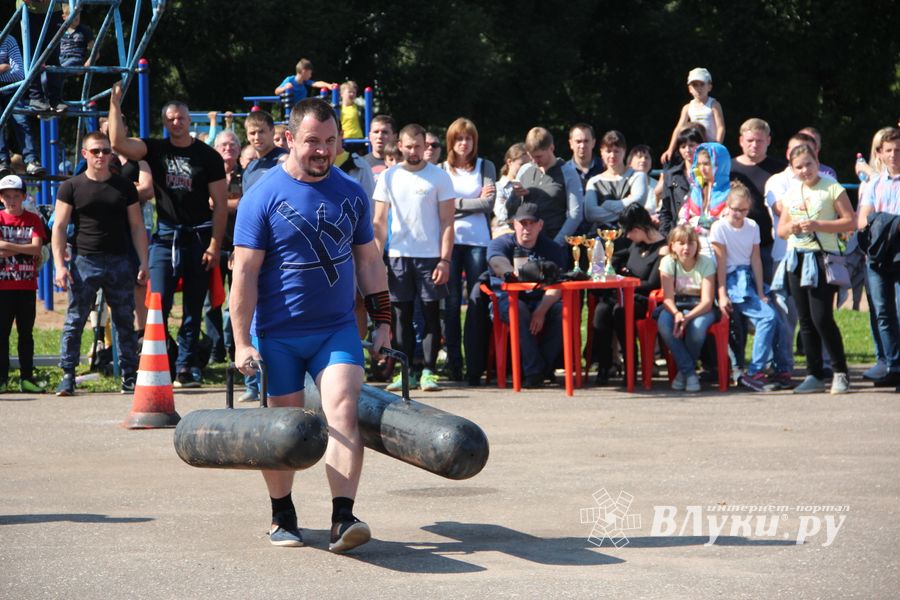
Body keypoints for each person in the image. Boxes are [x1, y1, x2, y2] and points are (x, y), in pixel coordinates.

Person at [230, 97, 390, 552]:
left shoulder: (351, 192)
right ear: (288, 140)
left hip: (335, 329)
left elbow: (369, 263)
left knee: (341, 408)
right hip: (278, 335)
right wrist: (243, 343)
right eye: (312, 142)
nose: (322, 151)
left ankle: (343, 517)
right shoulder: (262, 196)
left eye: (330, 141)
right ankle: (282, 513)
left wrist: (383, 321)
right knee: (286, 427)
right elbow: (242, 275)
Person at [108, 82, 227, 388]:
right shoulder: (156, 150)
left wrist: (215, 244)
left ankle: (187, 366)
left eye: (181, 118)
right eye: (171, 118)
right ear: (165, 122)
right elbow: (120, 144)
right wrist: (115, 105)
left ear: (190, 121)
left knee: (193, 308)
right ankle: (158, 362)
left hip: (199, 238)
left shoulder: (208, 156)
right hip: (166, 237)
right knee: (157, 303)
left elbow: (222, 205)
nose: (176, 122)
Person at [50, 132, 148, 396]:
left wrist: (144, 261)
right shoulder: (70, 186)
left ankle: (129, 375)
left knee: (125, 320)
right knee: (75, 319)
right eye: (95, 151)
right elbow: (59, 227)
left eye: (106, 151)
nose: (102, 156)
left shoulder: (124, 187)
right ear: (85, 154)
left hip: (119, 260)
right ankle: (67, 374)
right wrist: (59, 265)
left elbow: (137, 226)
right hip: (84, 261)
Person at [373, 123, 455, 392]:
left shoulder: (439, 177)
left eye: (419, 146)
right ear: (400, 146)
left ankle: (429, 371)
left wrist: (445, 259)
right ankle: (404, 370)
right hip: (398, 256)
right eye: (408, 147)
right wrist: (376, 259)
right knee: (401, 316)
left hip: (430, 257)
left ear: (426, 146)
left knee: (432, 315)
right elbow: (379, 222)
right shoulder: (388, 177)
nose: (414, 151)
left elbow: (447, 222)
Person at [776, 144, 855, 394]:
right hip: (796, 258)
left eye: (808, 164)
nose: (804, 170)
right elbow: (781, 229)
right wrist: (793, 229)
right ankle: (814, 374)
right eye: (798, 167)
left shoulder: (832, 187)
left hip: (823, 259)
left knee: (822, 317)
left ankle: (840, 371)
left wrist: (818, 224)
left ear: (817, 162)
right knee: (805, 319)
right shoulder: (791, 192)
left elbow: (850, 221)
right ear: (792, 169)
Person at [711, 182, 793, 392]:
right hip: (731, 279)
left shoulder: (753, 226)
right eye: (735, 209)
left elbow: (756, 260)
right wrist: (721, 294)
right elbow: (720, 264)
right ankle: (754, 371)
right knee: (766, 318)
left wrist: (759, 291)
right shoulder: (719, 227)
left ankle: (781, 368)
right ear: (727, 206)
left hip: (748, 277)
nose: (739, 214)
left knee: (778, 322)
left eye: (743, 210)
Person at [235, 110, 288, 403]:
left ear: (272, 132)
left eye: (262, 132)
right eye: (252, 133)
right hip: (255, 249)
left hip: (280, 250)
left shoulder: (284, 162)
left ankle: (277, 377)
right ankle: (253, 380)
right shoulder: (251, 168)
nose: (257, 138)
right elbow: (245, 212)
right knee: (251, 312)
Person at [440, 117, 496, 382]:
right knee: (450, 304)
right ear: (451, 141)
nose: (464, 143)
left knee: (475, 303)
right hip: (449, 242)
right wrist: (472, 200)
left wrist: (455, 204)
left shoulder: (486, 166)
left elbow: (488, 205)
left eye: (469, 138)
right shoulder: (441, 169)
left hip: (478, 242)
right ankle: (454, 364)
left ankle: (475, 367)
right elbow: (439, 206)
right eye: (459, 138)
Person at [487, 203, 565, 388]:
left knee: (563, 311)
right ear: (514, 224)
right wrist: (513, 274)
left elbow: (558, 285)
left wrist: (541, 311)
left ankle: (537, 370)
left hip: (541, 299)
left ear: (540, 225)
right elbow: (497, 262)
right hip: (506, 300)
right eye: (523, 223)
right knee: (518, 309)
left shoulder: (552, 248)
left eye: (532, 223)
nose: (527, 228)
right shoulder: (502, 243)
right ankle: (535, 371)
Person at [590, 203, 667, 385]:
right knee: (601, 311)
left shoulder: (662, 249)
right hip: (623, 293)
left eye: (629, 232)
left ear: (639, 229)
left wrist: (626, 281)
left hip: (643, 299)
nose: (627, 236)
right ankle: (604, 365)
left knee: (621, 312)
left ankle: (631, 366)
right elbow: (618, 257)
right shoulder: (636, 245)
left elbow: (653, 283)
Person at [857, 127, 900, 388]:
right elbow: (863, 219)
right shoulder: (874, 183)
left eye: (898, 150)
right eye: (889, 150)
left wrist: (881, 222)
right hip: (878, 256)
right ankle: (892, 364)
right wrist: (888, 223)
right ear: (880, 154)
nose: (894, 155)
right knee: (883, 312)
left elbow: (873, 220)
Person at [654, 224, 718, 392]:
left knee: (696, 329)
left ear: (697, 244)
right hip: (677, 305)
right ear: (672, 246)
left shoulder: (706, 263)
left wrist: (687, 318)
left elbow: (707, 301)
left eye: (691, 243)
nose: (686, 247)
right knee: (664, 325)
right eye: (681, 243)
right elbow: (667, 298)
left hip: (701, 307)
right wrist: (677, 314)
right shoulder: (668, 262)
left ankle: (683, 374)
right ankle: (689, 373)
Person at [0, 174, 47, 393]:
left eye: (15, 196)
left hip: (27, 286)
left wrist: (7, 246)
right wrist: (24, 247)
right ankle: (2, 377)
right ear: (1, 198)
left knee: (25, 335)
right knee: (2, 334)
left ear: (23, 196)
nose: (11, 200)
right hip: (3, 288)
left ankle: (26, 378)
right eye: (7, 196)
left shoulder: (33, 219)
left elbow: (37, 248)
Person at [730, 118, 785, 283]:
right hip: (735, 245)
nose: (754, 144)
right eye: (750, 140)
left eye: (759, 140)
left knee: (774, 297)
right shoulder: (728, 169)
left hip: (769, 245)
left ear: (768, 141)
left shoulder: (781, 170)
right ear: (741, 141)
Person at [515, 127, 583, 246]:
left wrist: (557, 243)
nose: (535, 161)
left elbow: (575, 214)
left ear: (551, 148)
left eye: (539, 156)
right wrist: (515, 196)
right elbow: (513, 209)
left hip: (554, 239)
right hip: (526, 242)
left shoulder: (568, 172)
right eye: (531, 156)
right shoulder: (525, 170)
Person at [584, 130, 649, 235]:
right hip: (602, 237)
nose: (612, 155)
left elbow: (638, 203)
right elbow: (590, 214)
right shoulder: (594, 181)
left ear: (624, 151)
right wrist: (627, 206)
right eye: (608, 151)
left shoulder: (638, 176)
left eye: (616, 151)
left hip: (632, 237)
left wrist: (607, 204)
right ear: (601, 152)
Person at [660, 68, 725, 164]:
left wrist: (716, 147)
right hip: (695, 149)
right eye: (695, 85)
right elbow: (678, 129)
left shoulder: (714, 104)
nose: (698, 88)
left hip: (711, 147)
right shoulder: (687, 107)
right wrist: (670, 149)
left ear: (709, 87)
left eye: (702, 84)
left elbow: (721, 127)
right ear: (690, 89)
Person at [0, 35, 44, 176]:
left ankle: (31, 160)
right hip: (9, 86)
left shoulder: (8, 39)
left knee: (21, 121)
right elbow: (11, 69)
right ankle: (2, 161)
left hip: (11, 88)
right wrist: (4, 67)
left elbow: (19, 73)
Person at [679, 142, 731, 259]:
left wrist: (697, 222)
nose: (702, 169)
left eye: (707, 164)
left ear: (720, 164)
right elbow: (683, 219)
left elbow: (727, 224)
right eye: (699, 164)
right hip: (695, 253)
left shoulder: (731, 192)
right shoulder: (695, 190)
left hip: (722, 255)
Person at [17, 0, 65, 113]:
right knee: (33, 56)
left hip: (53, 9)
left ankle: (55, 98)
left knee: (53, 55)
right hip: (29, 9)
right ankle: (36, 97)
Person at [658, 127, 703, 236]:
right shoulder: (671, 175)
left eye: (692, 145)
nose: (687, 150)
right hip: (678, 231)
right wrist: (665, 235)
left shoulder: (709, 173)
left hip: (703, 229)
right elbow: (665, 209)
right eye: (683, 146)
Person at [493, 142, 532, 236]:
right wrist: (514, 196)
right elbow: (502, 216)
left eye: (529, 165)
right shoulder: (498, 187)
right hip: (505, 235)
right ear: (509, 162)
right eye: (522, 165)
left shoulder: (532, 184)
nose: (526, 169)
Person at [567, 123, 603, 191]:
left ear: (593, 143)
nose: (582, 146)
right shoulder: (564, 171)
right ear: (571, 144)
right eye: (578, 141)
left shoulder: (604, 167)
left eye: (586, 141)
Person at [627, 144, 660, 217]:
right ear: (630, 163)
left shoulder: (658, 185)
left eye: (647, 157)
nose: (643, 160)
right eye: (639, 157)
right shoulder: (624, 184)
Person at [362, 114, 396, 181]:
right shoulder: (360, 164)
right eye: (376, 132)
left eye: (385, 132)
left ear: (394, 136)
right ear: (370, 136)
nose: (379, 136)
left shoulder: (403, 164)